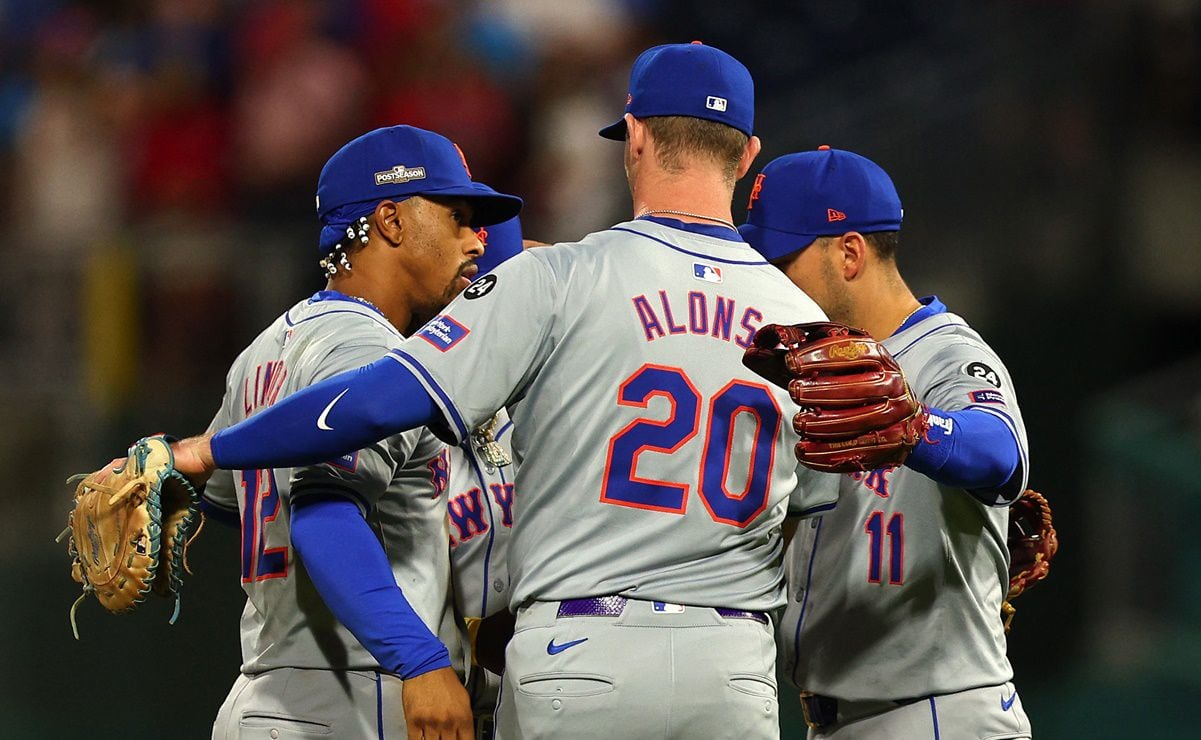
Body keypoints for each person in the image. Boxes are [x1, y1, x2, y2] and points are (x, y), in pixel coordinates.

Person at [160, 42, 841, 739]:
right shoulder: (805, 323)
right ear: (748, 152)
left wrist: (206, 452)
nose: (476, 240)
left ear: (633, 137)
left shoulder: (564, 278)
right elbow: (798, 514)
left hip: (578, 651)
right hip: (732, 664)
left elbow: (366, 409)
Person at [198, 124, 522, 740]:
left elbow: (226, 500)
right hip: (357, 689)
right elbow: (323, 511)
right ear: (392, 222)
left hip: (266, 689)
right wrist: (420, 659)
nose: (476, 241)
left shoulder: (264, 349)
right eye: (455, 215)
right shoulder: (369, 352)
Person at [738, 147, 1032, 739]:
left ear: (849, 253)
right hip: (843, 718)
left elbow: (999, 450)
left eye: (782, 260)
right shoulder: (808, 369)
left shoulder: (946, 353)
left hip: (933, 713)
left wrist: (919, 430)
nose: (769, 281)